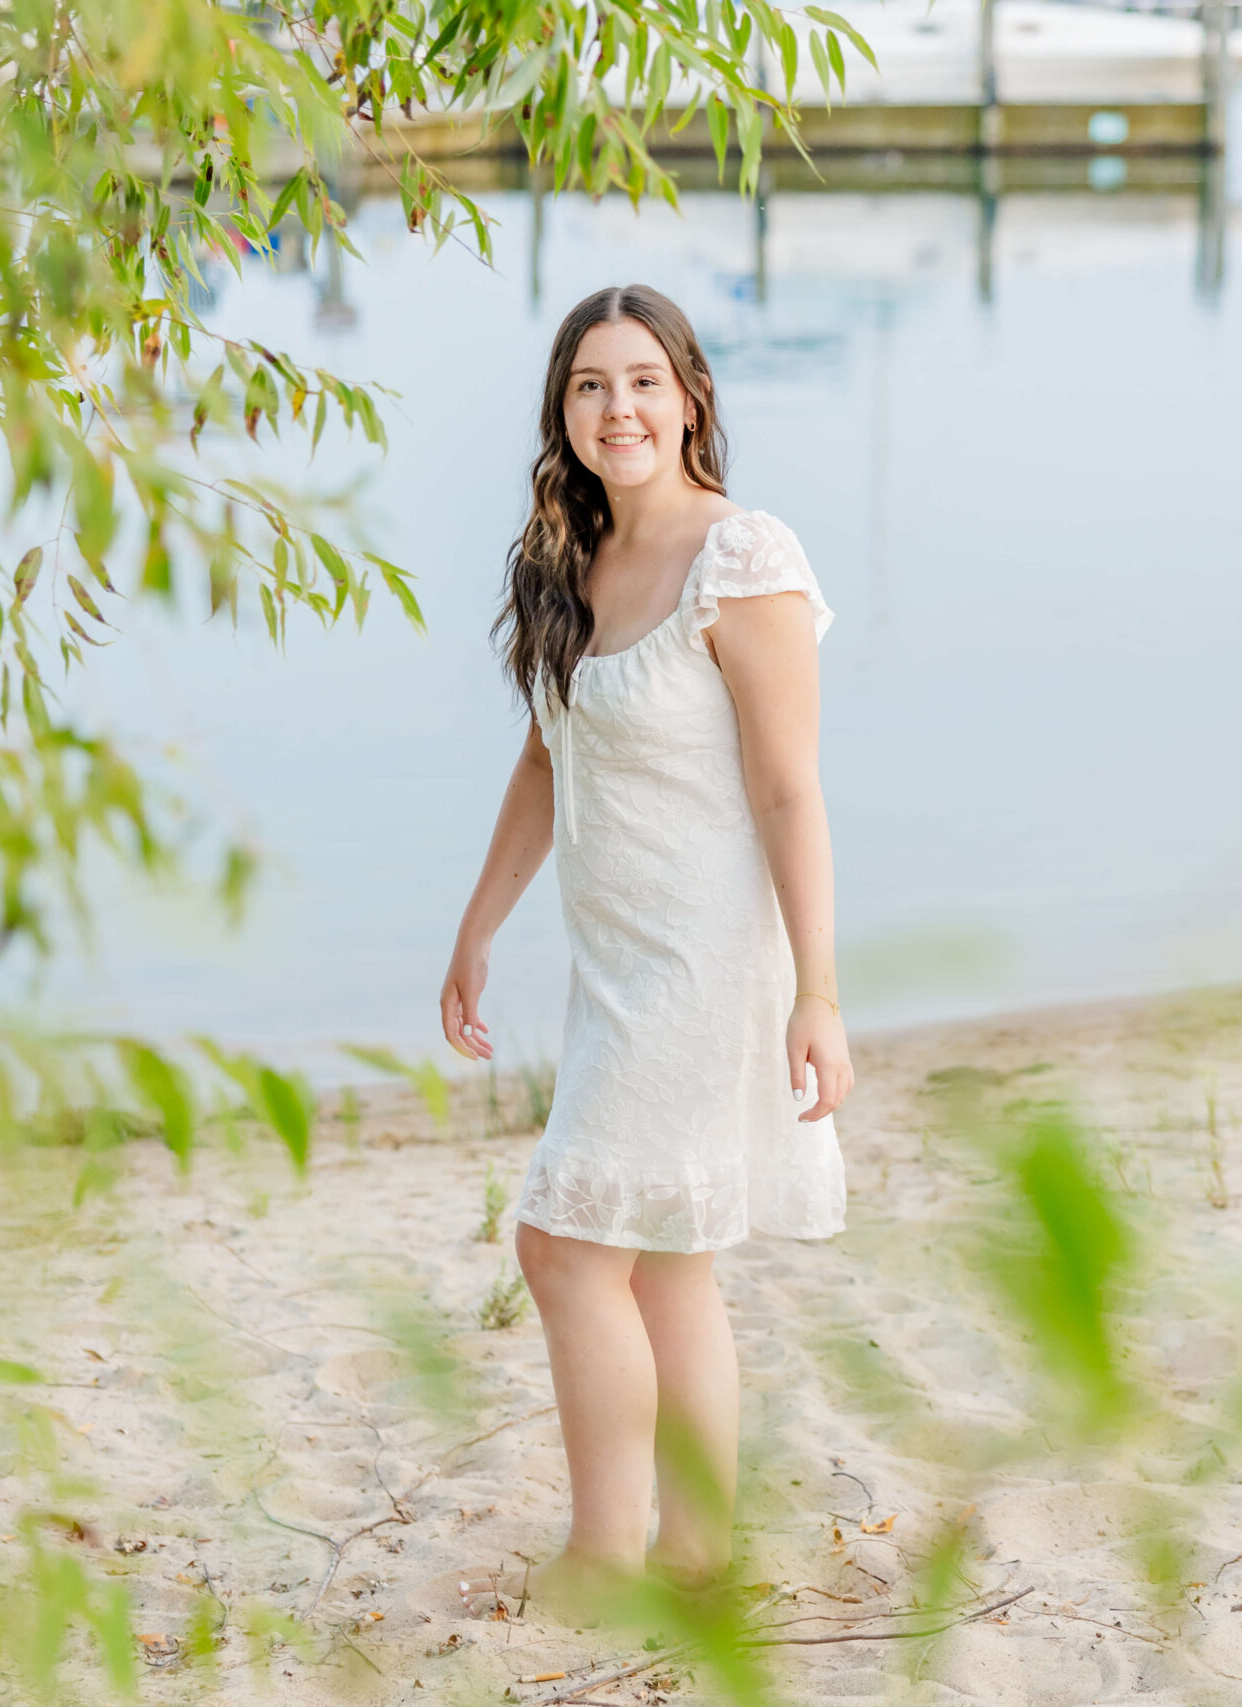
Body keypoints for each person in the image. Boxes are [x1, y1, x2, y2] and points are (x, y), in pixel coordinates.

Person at [440, 283, 852, 1608]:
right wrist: (477, 929)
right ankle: (696, 1552)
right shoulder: (569, 563)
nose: (617, 408)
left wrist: (821, 994)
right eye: (588, 386)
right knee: (670, 1257)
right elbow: (546, 761)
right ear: (563, 413)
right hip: (610, 965)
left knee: (563, 1248)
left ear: (689, 399)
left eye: (641, 381)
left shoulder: (744, 556)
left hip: (705, 960)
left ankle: (608, 1550)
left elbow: (791, 789)